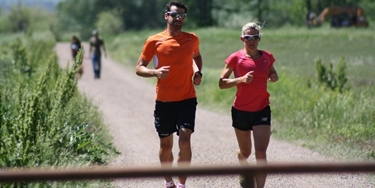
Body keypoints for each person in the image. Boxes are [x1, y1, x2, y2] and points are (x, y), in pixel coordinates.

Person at [135, 1, 203, 188]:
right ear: (166, 16)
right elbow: (139, 68)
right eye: (175, 15)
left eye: (182, 15)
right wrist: (154, 73)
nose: (178, 18)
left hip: (187, 99)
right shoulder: (154, 41)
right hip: (164, 102)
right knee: (166, 145)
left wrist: (198, 73)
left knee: (185, 141)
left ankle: (181, 184)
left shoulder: (192, 39)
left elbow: (196, 57)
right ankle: (168, 181)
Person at [218, 22, 278, 188]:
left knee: (261, 153)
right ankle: (242, 164)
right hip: (241, 111)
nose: (251, 40)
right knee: (246, 152)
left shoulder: (267, 57)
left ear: (259, 39)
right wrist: (241, 80)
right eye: (247, 37)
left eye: (255, 37)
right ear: (241, 38)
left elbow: (272, 72)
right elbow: (222, 83)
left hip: (262, 109)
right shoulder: (235, 58)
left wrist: (273, 76)